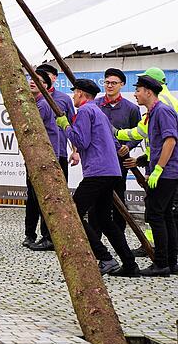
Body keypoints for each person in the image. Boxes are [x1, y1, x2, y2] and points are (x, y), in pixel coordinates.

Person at [56, 79, 139, 277]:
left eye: (75, 93)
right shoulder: (99, 111)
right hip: (111, 171)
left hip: (97, 171)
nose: (73, 96)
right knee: (104, 219)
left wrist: (66, 126)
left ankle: (105, 258)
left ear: (82, 94)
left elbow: (81, 141)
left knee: (73, 214)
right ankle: (129, 264)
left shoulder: (85, 111)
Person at [124, 75, 178, 276]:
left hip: (166, 173)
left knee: (156, 215)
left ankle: (161, 263)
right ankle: (172, 263)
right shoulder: (153, 113)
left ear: (148, 92)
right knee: (166, 216)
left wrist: (158, 170)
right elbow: (156, 146)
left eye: (138, 90)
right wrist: (142, 161)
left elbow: (170, 141)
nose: (136, 94)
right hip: (167, 172)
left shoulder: (162, 111)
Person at [93, 68, 141, 234]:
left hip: (119, 161)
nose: (110, 86)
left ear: (122, 85)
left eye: (114, 83)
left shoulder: (131, 109)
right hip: (97, 160)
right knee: (96, 199)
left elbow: (139, 133)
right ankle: (95, 237)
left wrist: (128, 146)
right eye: (107, 82)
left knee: (119, 198)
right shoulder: (95, 105)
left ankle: (119, 235)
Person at [24, 70, 60, 251]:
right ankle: (30, 234)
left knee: (43, 197)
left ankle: (48, 236)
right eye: (31, 78)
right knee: (32, 197)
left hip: (44, 156)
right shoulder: (33, 102)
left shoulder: (43, 105)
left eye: (38, 80)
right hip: (34, 155)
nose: (32, 82)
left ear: (45, 86)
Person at [36, 64, 79, 174]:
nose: (41, 78)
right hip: (37, 152)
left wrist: (75, 151)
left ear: (54, 78)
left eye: (46, 75)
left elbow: (72, 124)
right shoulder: (31, 98)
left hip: (60, 152)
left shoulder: (64, 99)